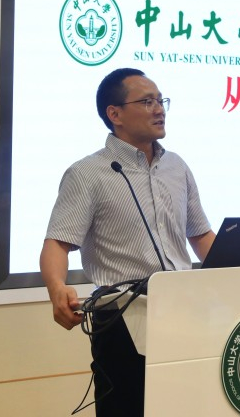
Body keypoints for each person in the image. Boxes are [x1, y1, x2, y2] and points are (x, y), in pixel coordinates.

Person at [40, 67, 215, 417]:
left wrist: (238, 273)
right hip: (122, 320)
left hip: (184, 312)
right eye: (147, 102)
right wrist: (57, 288)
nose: (159, 109)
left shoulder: (177, 167)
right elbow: (57, 243)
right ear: (115, 114)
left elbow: (200, 235)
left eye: (161, 101)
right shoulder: (87, 173)